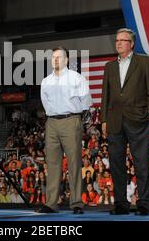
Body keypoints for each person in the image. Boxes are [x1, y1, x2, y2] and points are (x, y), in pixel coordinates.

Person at [101, 28, 149, 216]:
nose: (118, 43)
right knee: (117, 164)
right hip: (114, 121)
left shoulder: (144, 61)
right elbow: (106, 96)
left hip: (138, 119)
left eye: (123, 40)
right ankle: (121, 204)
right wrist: (103, 120)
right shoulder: (109, 66)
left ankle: (144, 203)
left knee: (141, 162)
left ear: (131, 43)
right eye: (117, 40)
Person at [37, 46, 92, 214]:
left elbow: (86, 101)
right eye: (53, 57)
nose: (55, 60)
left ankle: (76, 203)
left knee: (74, 163)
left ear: (66, 60)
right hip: (52, 122)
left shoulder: (77, 78)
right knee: (53, 164)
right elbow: (45, 103)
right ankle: (51, 203)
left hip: (71, 120)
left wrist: (75, 116)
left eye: (59, 57)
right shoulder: (46, 81)